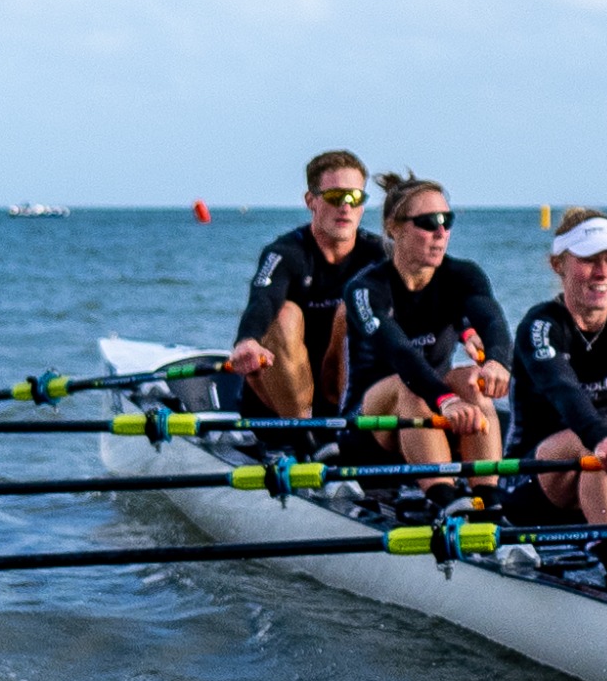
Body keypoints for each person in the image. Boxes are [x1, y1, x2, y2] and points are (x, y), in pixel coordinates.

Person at [507, 213, 607, 528]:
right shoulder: (540, 325)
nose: (603, 272)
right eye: (589, 260)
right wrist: (599, 438)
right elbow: (562, 387)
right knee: (593, 446)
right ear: (559, 265)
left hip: (604, 464)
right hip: (531, 479)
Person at [347, 178, 519, 465]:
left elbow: (492, 322)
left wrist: (498, 361)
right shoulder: (366, 288)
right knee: (410, 388)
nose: (441, 232)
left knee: (470, 379)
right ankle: (444, 496)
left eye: (446, 220)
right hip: (369, 424)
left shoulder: (462, 275)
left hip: (434, 410)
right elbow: (400, 353)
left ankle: (487, 498)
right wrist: (445, 399)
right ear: (394, 228)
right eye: (428, 222)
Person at [220, 149, 382, 425]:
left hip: (343, 393)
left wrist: (470, 332)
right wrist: (247, 340)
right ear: (311, 201)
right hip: (280, 401)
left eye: (355, 197)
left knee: (354, 309)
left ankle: (350, 431)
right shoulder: (285, 253)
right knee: (284, 314)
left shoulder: (379, 254)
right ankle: (305, 436)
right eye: (335, 196)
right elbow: (263, 300)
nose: (345, 206)